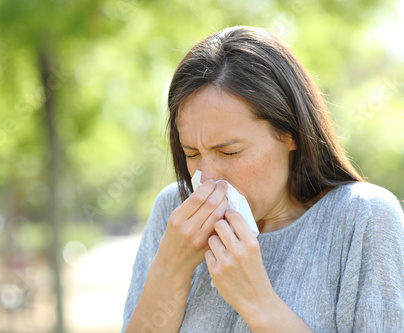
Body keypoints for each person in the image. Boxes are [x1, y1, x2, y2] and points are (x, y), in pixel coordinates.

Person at [121, 26, 404, 332]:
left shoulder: (362, 219)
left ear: (290, 133)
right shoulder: (174, 213)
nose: (208, 178)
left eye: (229, 152)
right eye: (192, 153)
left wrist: (257, 302)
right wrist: (171, 268)